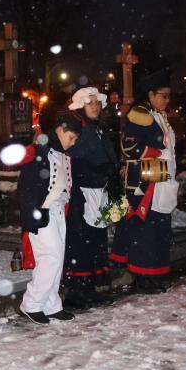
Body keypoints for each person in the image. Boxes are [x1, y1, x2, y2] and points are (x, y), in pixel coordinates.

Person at [109, 70, 178, 293]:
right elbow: (128, 146)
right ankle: (143, 277)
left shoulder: (160, 115)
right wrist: (154, 152)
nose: (166, 100)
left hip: (162, 178)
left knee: (159, 229)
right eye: (163, 95)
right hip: (145, 180)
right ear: (150, 94)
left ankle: (155, 274)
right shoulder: (140, 114)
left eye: (168, 96)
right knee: (145, 231)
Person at [16, 111, 83, 324]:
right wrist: (33, 215)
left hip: (58, 211)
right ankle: (31, 304)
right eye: (71, 137)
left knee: (57, 258)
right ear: (60, 130)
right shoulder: (39, 151)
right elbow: (26, 188)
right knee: (50, 257)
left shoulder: (62, 154)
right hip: (41, 211)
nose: (73, 143)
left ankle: (51, 304)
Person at [62, 87, 120, 308]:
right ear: (81, 106)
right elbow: (76, 162)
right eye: (90, 103)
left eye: (97, 103)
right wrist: (100, 172)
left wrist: (110, 174)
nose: (95, 107)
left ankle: (90, 288)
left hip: (98, 191)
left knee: (96, 240)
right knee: (81, 242)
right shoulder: (79, 130)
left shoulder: (96, 129)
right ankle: (77, 291)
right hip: (84, 194)